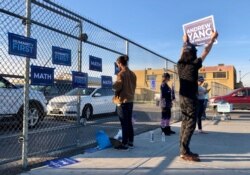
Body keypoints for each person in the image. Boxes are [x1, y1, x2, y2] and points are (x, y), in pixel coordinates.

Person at [177, 31, 218, 162]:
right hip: (189, 98)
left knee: (185, 122)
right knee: (190, 124)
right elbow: (205, 51)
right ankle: (184, 151)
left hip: (182, 97)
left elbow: (182, 52)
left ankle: (183, 150)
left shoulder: (180, 65)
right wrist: (211, 39)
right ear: (193, 54)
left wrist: (185, 41)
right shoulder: (194, 65)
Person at [112, 55, 137, 150]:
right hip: (130, 100)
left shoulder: (121, 74)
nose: (117, 66)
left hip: (122, 101)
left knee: (124, 123)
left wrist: (112, 85)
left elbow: (117, 87)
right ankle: (131, 142)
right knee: (129, 122)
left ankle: (124, 143)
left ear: (120, 63)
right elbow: (133, 87)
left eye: (117, 64)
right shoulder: (133, 74)